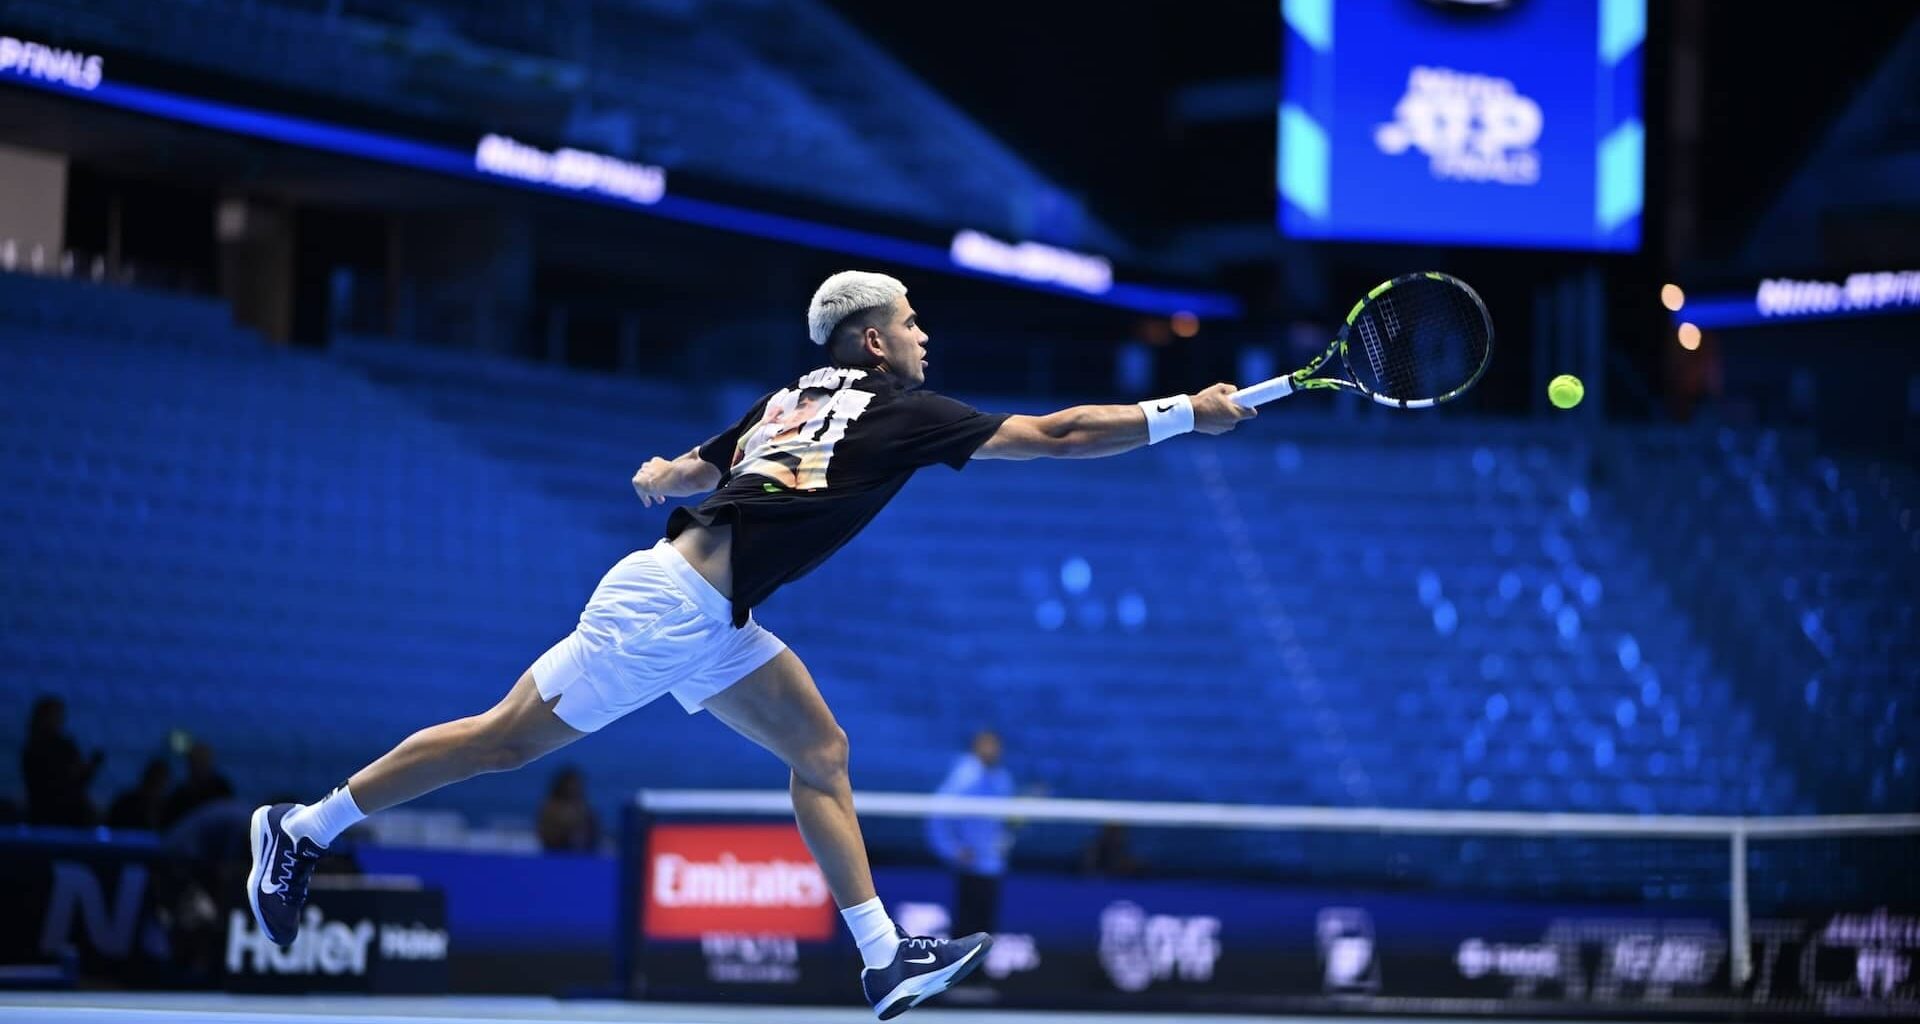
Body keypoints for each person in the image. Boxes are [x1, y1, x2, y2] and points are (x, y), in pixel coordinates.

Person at [247, 270, 1253, 1019]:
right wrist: (1183, 415)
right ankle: (303, 827)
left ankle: (882, 957)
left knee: (822, 752)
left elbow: (696, 467)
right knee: (501, 740)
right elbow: (1065, 434)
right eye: (909, 321)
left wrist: (655, 474)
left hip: (709, 615)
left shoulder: (791, 397)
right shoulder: (900, 411)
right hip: (667, 607)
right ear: (870, 341)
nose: (923, 334)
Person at [926, 730, 1014, 939]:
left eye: (995, 745)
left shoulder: (1002, 779)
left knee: (987, 929)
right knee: (966, 929)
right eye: (986, 745)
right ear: (975, 747)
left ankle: (980, 971)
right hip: (970, 866)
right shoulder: (964, 777)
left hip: (993, 866)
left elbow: (1004, 822)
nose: (991, 750)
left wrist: (1005, 841)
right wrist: (952, 849)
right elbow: (937, 817)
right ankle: (963, 972)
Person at [22, 696, 102, 827]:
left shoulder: (61, 746)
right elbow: (70, 780)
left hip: (63, 815)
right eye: (54, 714)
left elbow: (78, 779)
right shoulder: (39, 748)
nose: (58, 719)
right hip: (49, 814)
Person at [164, 742, 235, 828]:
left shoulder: (221, 788)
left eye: (203, 761)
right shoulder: (180, 794)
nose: (199, 765)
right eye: (197, 761)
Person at [536, 766, 599, 852]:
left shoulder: (584, 807)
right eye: (570, 785)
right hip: (555, 851)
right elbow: (544, 832)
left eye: (576, 785)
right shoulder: (550, 807)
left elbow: (593, 833)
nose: (573, 788)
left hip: (583, 854)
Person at [108, 756, 173, 831]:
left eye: (160, 782)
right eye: (153, 780)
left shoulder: (168, 811)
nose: (156, 786)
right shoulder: (125, 804)